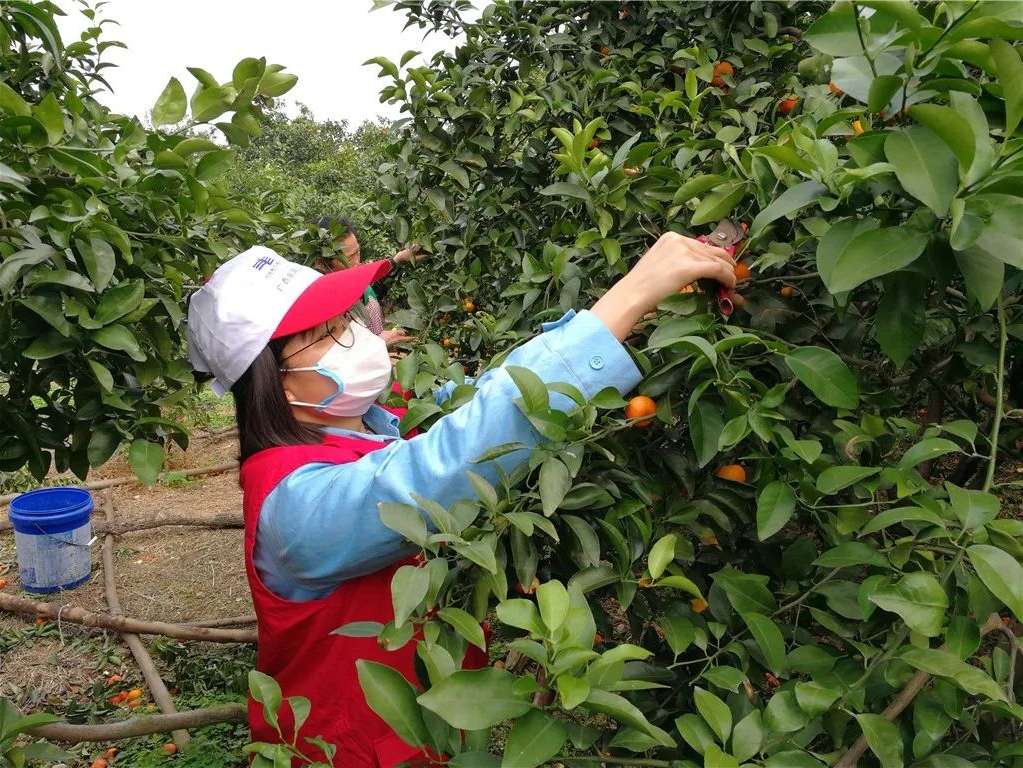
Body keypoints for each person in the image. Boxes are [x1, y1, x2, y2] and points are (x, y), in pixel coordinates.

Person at [186, 232, 736, 767]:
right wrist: (630, 294)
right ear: (276, 383)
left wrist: (624, 318)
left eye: (347, 320)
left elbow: (485, 395)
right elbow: (450, 458)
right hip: (347, 749)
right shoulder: (296, 508)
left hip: (419, 733)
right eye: (327, 333)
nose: (358, 336)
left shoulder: (377, 430)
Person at [313, 214, 422, 347]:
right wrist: (379, 342)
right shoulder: (324, 310)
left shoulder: (357, 287)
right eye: (349, 258)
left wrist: (398, 259)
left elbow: (371, 285)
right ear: (322, 263)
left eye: (358, 252)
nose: (357, 262)